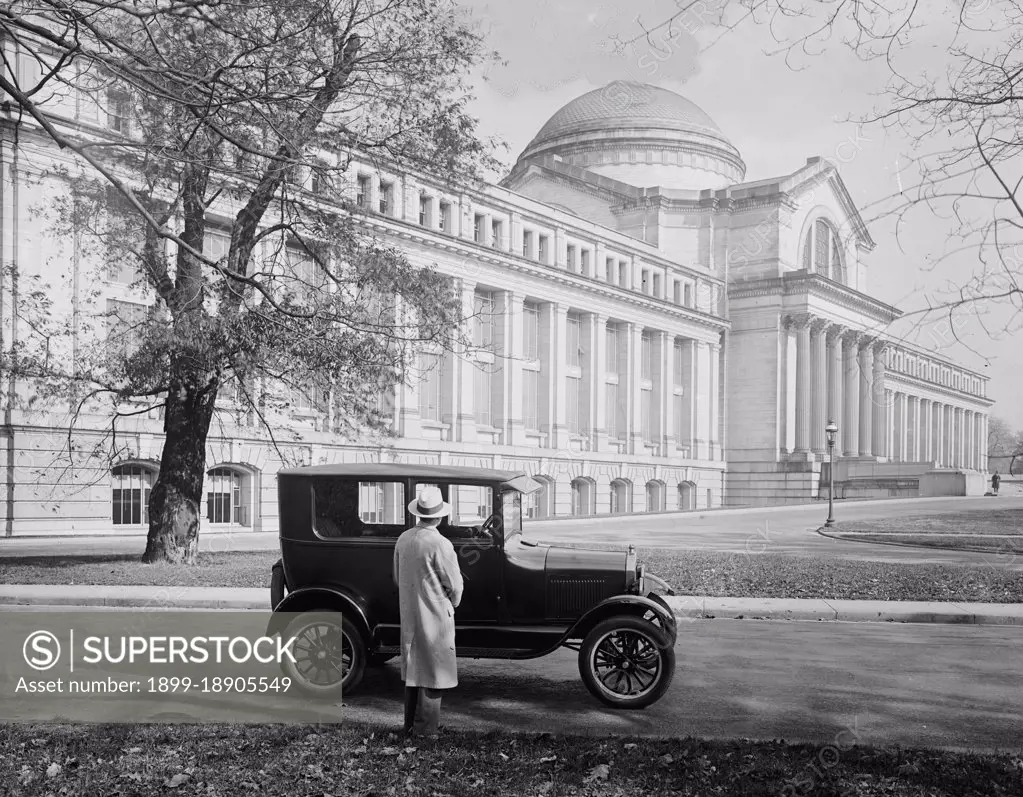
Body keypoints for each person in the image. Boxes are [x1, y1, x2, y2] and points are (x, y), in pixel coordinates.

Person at [392, 485, 464, 740]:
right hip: (435, 611)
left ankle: (410, 725)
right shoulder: (440, 544)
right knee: (435, 669)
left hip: (409, 609)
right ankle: (426, 730)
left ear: (419, 514)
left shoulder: (403, 538)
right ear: (440, 515)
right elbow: (454, 584)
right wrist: (452, 602)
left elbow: (397, 577)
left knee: (414, 669)